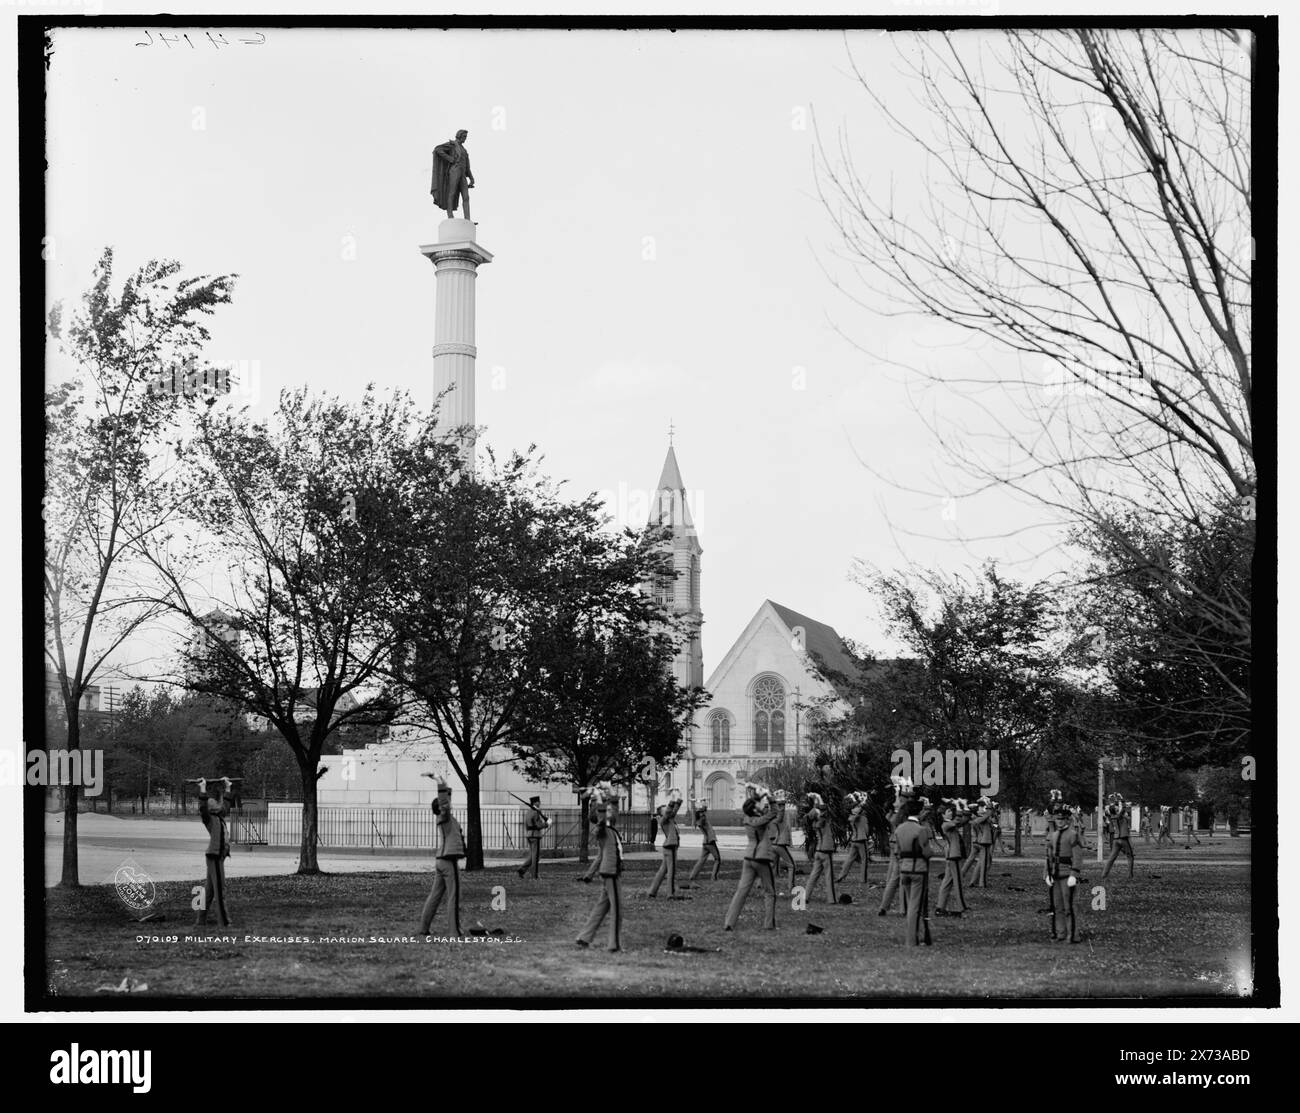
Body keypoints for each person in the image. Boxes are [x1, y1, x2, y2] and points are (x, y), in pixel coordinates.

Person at [723, 784, 779, 932]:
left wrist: (758, 795)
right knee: (770, 892)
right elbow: (775, 811)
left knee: (741, 891)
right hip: (761, 858)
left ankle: (729, 922)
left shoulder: (747, 818)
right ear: (755, 809)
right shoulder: (759, 820)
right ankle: (769, 924)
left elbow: (753, 806)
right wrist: (769, 796)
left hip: (748, 857)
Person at [577, 785, 624, 952]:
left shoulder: (610, 827)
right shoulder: (601, 828)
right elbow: (603, 817)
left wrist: (609, 789)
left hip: (610, 871)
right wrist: (597, 797)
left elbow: (615, 804)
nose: (611, 810)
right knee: (617, 910)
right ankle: (614, 945)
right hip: (610, 872)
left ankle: (584, 937)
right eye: (607, 809)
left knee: (602, 907)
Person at [419, 779, 465, 937]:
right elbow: (445, 803)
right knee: (454, 896)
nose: (448, 803)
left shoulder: (446, 818)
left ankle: (423, 929)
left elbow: (446, 801)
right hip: (448, 860)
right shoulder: (443, 816)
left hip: (441, 860)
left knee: (435, 896)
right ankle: (454, 932)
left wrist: (446, 790)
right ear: (440, 807)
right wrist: (440, 783)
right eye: (445, 802)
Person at [1045, 797, 1085, 943]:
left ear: (1067, 820)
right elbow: (1049, 857)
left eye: (1062, 819)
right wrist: (1048, 874)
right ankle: (1060, 933)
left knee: (1070, 907)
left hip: (1068, 875)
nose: (1060, 821)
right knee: (1057, 907)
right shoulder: (1053, 836)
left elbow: (1078, 856)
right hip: (1055, 875)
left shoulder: (1073, 834)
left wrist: (1074, 874)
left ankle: (1073, 935)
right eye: (1057, 818)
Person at [195, 777, 232, 927]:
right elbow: (202, 807)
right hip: (214, 856)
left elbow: (226, 806)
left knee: (209, 892)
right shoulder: (208, 819)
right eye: (212, 803)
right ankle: (224, 923)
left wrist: (227, 787)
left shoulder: (220, 816)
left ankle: (200, 921)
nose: (216, 804)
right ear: (210, 808)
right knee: (220, 890)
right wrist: (202, 789)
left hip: (219, 856)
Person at [895, 800, 934, 946]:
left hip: (904, 868)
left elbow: (897, 851)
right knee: (914, 906)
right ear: (919, 812)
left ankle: (915, 936)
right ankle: (911, 940)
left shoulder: (899, 828)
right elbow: (927, 852)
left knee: (911, 903)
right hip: (918, 869)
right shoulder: (920, 829)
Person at [935, 802, 972, 916]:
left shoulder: (950, 823)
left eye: (952, 811)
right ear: (943, 815)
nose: (951, 813)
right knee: (958, 883)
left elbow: (965, 820)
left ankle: (940, 907)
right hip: (953, 856)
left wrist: (965, 806)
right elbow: (957, 821)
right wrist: (957, 806)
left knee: (947, 882)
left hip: (953, 856)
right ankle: (962, 907)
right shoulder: (945, 825)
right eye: (949, 811)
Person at [646, 788, 683, 898]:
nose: (667, 809)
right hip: (670, 847)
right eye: (665, 809)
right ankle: (670, 894)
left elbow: (674, 810)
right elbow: (669, 812)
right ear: (661, 813)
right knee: (672, 872)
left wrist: (679, 798)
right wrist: (671, 800)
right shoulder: (663, 820)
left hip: (670, 847)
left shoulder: (670, 818)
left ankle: (652, 892)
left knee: (663, 871)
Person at [431, 128, 475, 220]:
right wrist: (450, 158)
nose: (465, 138)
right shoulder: (452, 145)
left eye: (466, 137)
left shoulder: (464, 150)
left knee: (466, 197)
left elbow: (467, 167)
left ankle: (467, 219)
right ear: (459, 136)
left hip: (462, 173)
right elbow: (438, 149)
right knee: (452, 192)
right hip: (455, 170)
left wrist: (471, 178)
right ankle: (450, 215)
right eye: (464, 136)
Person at [803, 793, 838, 903]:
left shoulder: (814, 823)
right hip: (826, 850)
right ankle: (832, 900)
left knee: (813, 876)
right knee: (829, 876)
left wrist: (816, 802)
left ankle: (805, 897)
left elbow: (819, 812)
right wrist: (819, 797)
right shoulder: (822, 820)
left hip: (818, 850)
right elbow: (824, 811)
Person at [836, 792, 872, 885]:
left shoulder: (851, 815)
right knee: (864, 860)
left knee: (849, 860)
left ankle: (841, 876)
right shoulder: (858, 813)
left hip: (854, 840)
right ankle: (863, 879)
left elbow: (860, 809)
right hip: (861, 840)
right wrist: (864, 798)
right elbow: (861, 807)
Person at [687, 795, 722, 882]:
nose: (704, 813)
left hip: (705, 842)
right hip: (710, 842)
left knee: (701, 860)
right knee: (717, 859)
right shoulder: (703, 819)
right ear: (700, 814)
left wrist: (697, 803)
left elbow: (702, 810)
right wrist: (701, 803)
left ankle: (692, 876)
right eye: (702, 813)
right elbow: (703, 810)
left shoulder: (698, 821)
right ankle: (714, 877)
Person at [1101, 793, 1135, 880]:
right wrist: (1121, 798)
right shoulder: (1119, 816)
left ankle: (1104, 874)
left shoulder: (1110, 816)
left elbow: (1107, 809)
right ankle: (1130, 875)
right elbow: (1123, 808)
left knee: (1111, 858)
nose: (1117, 809)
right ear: (1116, 811)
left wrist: (1110, 799)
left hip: (1115, 839)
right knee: (1130, 856)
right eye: (1116, 809)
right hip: (1123, 838)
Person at [772, 790, 800, 893]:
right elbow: (780, 816)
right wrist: (781, 798)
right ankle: (791, 887)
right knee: (791, 865)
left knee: (771, 866)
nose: (784, 805)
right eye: (782, 804)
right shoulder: (781, 812)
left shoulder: (777, 812)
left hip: (776, 843)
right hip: (780, 843)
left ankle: (763, 883)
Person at [963, 798, 995, 888]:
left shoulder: (978, 818)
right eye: (981, 807)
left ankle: (973, 881)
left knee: (977, 862)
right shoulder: (981, 818)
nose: (982, 809)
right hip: (983, 842)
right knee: (984, 864)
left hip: (978, 841)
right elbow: (989, 814)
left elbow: (991, 817)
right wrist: (988, 803)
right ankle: (982, 883)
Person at [517, 796, 550, 880]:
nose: (540, 803)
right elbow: (538, 825)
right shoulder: (536, 812)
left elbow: (526, 824)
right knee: (536, 857)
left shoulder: (529, 812)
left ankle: (522, 869)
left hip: (529, 835)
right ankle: (534, 875)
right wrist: (547, 824)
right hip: (535, 836)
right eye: (538, 802)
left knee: (532, 856)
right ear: (534, 803)